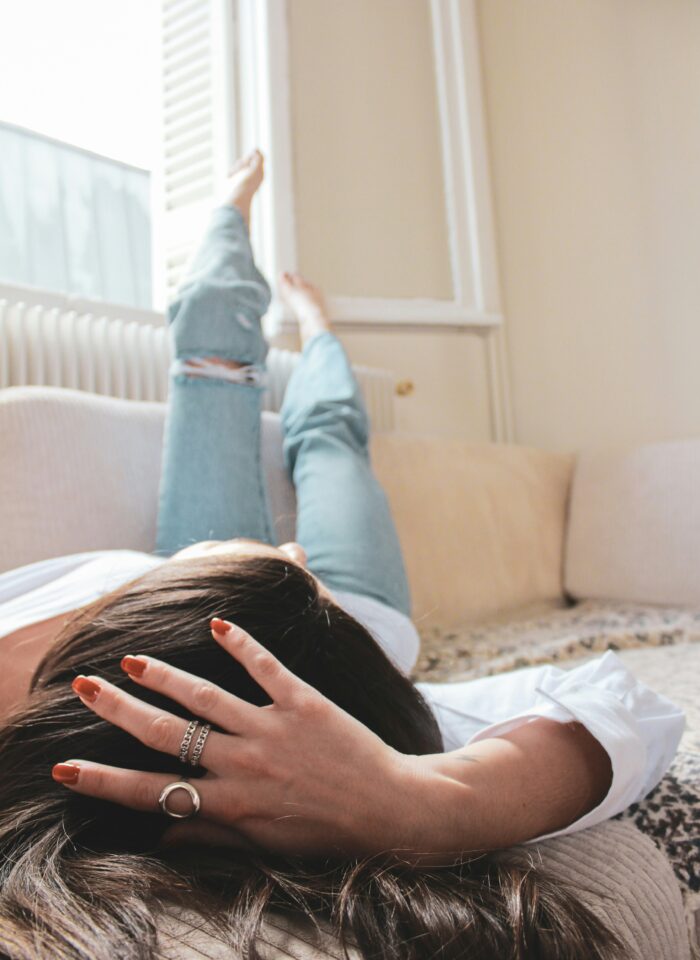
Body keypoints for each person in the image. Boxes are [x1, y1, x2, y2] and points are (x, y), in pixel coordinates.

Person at [0, 149, 684, 960]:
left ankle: (228, 218)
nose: (295, 545)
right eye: (285, 553)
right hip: (341, 617)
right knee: (327, 440)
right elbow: (628, 708)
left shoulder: (90, 642)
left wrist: (207, 571)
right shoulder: (320, 698)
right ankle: (321, 332)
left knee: (210, 373)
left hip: (183, 595)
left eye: (281, 553)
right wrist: (420, 801)